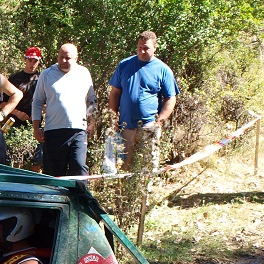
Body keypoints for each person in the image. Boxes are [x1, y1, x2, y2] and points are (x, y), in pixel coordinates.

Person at [108, 31, 179, 171]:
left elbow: (170, 98)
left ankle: (144, 193)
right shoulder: (124, 65)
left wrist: (159, 121)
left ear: (155, 47)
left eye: (146, 48)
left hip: (149, 126)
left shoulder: (163, 70)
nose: (142, 51)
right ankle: (124, 192)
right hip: (125, 125)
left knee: (147, 166)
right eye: (139, 47)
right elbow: (115, 93)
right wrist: (113, 116)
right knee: (124, 166)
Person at [32, 43, 96, 178]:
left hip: (78, 129)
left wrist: (91, 122)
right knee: (54, 174)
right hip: (54, 131)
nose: (63, 61)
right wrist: (36, 127)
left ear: (76, 58)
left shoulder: (83, 73)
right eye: (61, 57)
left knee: (79, 168)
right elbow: (37, 101)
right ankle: (53, 199)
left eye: (67, 58)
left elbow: (91, 100)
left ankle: (80, 198)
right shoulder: (47, 74)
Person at [1, 46, 42, 128]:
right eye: (30, 60)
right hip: (13, 121)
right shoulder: (14, 78)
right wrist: (17, 113)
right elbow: (2, 103)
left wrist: (39, 111)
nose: (32, 63)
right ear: (25, 59)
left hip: (34, 124)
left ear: (39, 61)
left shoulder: (42, 79)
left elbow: (48, 103)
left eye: (35, 61)